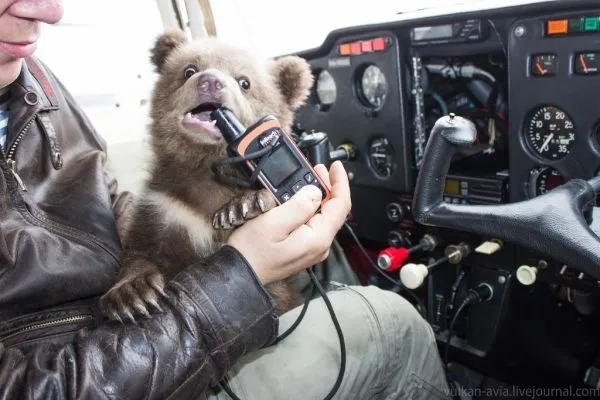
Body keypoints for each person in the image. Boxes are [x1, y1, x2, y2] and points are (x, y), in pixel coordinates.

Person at [0, 0, 450, 399]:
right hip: (119, 369)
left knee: (333, 277)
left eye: (244, 84)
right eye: (191, 73)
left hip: (149, 330)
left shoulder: (34, 77)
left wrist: (136, 270)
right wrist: (241, 271)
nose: (214, 83)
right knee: (395, 322)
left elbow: (100, 201)